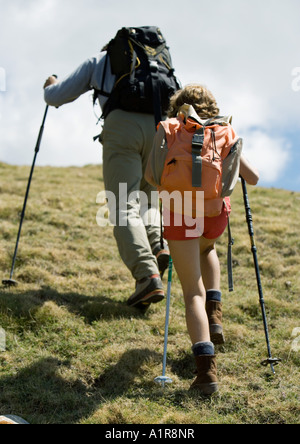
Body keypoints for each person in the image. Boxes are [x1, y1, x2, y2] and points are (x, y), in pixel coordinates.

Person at [145, 84, 259, 395]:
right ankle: (216, 313)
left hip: (181, 213)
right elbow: (253, 176)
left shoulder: (169, 128)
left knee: (191, 292)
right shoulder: (224, 130)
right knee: (207, 247)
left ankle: (206, 374)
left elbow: (151, 175)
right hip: (214, 215)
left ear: (178, 107)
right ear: (210, 105)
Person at [43, 45, 171, 310]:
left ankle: (147, 276)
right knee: (148, 198)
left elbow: (57, 97)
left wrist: (49, 85)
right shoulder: (157, 62)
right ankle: (158, 245)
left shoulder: (99, 60)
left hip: (123, 128)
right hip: (161, 128)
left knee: (123, 204)